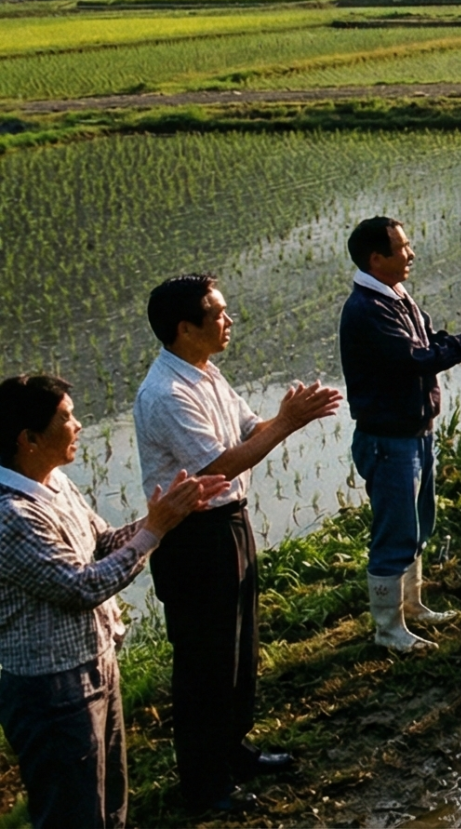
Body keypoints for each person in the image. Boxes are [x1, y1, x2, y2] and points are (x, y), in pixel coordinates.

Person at [132, 278, 339, 813]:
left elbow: (249, 430)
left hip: (230, 525)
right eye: (218, 315)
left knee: (240, 650)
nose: (229, 322)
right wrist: (288, 424)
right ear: (185, 329)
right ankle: (205, 785)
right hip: (195, 536)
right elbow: (219, 466)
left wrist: (291, 415)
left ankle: (233, 750)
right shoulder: (167, 394)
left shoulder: (205, 373)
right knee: (205, 663)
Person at [0, 375, 226, 829]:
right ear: (28, 439)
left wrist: (165, 517)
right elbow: (82, 586)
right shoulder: (12, 516)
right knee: (73, 813)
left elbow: (102, 544)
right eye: (66, 418)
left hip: (97, 663)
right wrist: (154, 531)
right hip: (52, 688)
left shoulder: (56, 484)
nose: (79, 425)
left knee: (112, 802)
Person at [339, 217, 461, 652]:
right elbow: (412, 358)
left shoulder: (396, 298)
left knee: (418, 524)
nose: (410, 254)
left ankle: (414, 606)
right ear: (376, 258)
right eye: (402, 248)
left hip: (416, 431)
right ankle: (388, 630)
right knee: (395, 532)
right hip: (389, 439)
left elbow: (428, 339)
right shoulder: (367, 310)